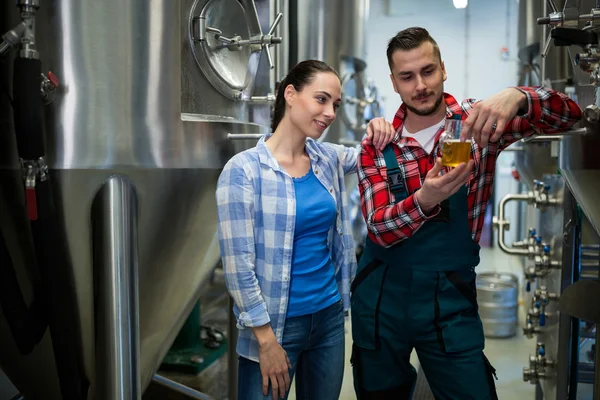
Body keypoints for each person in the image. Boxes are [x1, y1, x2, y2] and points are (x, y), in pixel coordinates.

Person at [350, 27, 582, 400]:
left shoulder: (481, 124)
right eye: (407, 77)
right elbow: (379, 228)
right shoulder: (378, 145)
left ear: (443, 68)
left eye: (428, 71)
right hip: (380, 299)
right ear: (394, 83)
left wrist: (518, 97)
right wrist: (425, 199)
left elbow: (571, 117)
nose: (420, 85)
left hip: (450, 296)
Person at [216, 59, 394, 400]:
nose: (329, 113)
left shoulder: (326, 158)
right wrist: (266, 342)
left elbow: (372, 155)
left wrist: (381, 128)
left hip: (328, 319)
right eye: (321, 99)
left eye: (336, 105)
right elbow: (238, 269)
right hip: (274, 326)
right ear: (291, 94)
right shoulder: (243, 171)